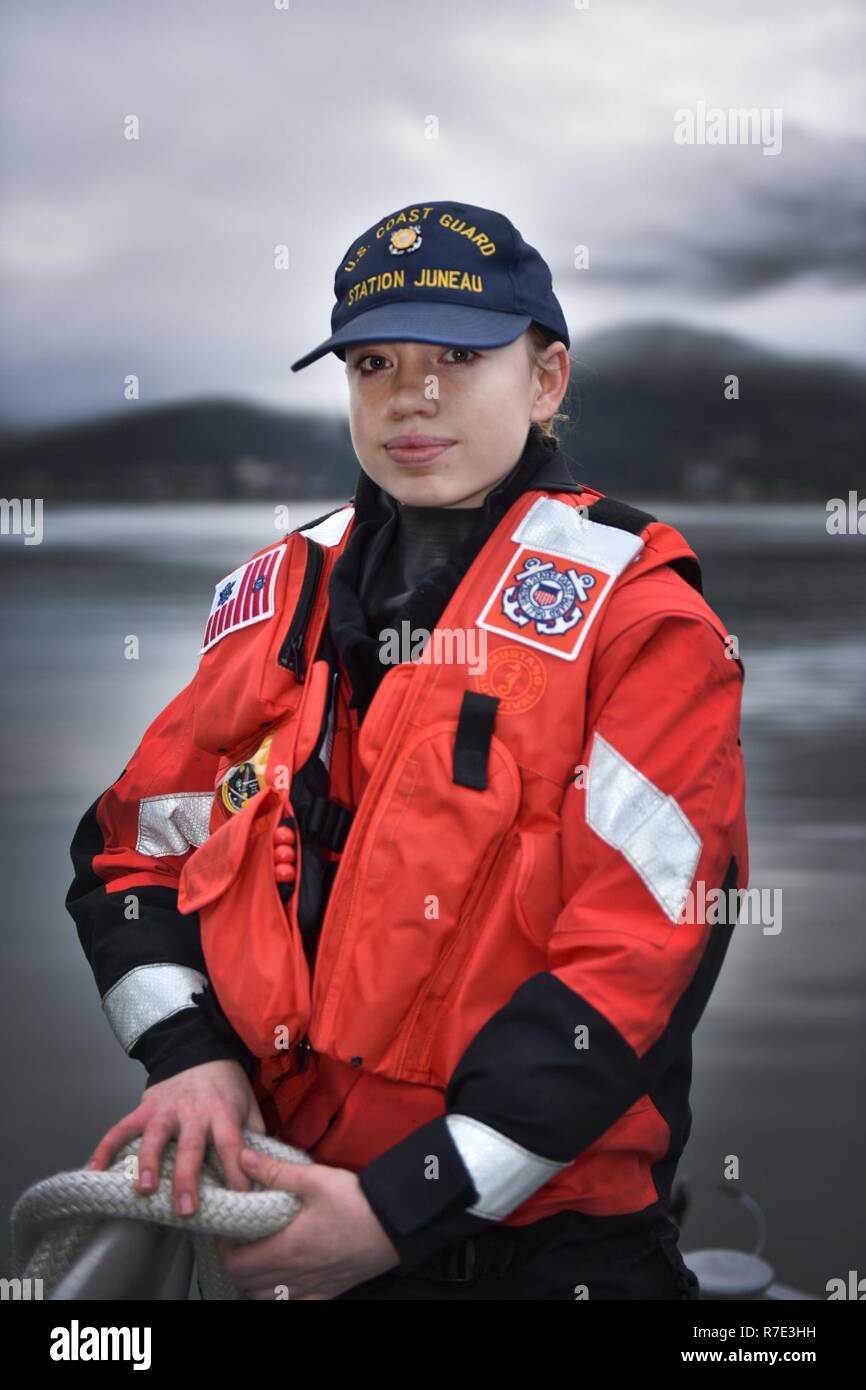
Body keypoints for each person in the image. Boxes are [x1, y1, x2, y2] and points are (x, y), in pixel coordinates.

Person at [67, 199, 748, 1301]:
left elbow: (637, 958)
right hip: (284, 1208)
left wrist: (400, 1207)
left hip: (541, 1251)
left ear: (545, 381)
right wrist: (191, 1058)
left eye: (460, 357)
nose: (409, 397)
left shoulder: (639, 618)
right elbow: (123, 858)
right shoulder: (272, 595)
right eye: (372, 360)